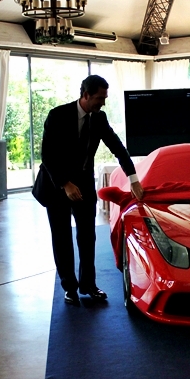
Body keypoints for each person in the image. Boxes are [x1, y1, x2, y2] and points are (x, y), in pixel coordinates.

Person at [33, 75, 143, 305]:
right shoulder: (58, 115)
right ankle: (70, 288)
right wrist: (65, 184)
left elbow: (117, 147)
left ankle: (88, 285)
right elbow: (47, 156)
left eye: (104, 98)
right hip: (56, 186)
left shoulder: (99, 118)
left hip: (83, 186)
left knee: (87, 236)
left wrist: (133, 178)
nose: (102, 103)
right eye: (99, 98)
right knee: (62, 237)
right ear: (85, 95)